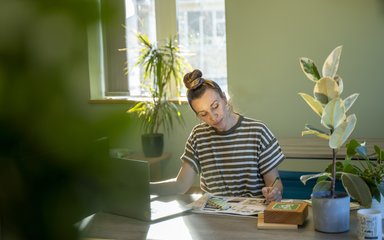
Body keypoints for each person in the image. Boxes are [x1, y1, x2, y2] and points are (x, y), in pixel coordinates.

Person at [150, 69, 285, 202]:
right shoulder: (198, 136)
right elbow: (180, 185)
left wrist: (274, 193)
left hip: (251, 217)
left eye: (215, 106)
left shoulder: (258, 131)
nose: (213, 117)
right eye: (203, 114)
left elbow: (274, 184)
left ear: (224, 99)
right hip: (213, 216)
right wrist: (145, 187)